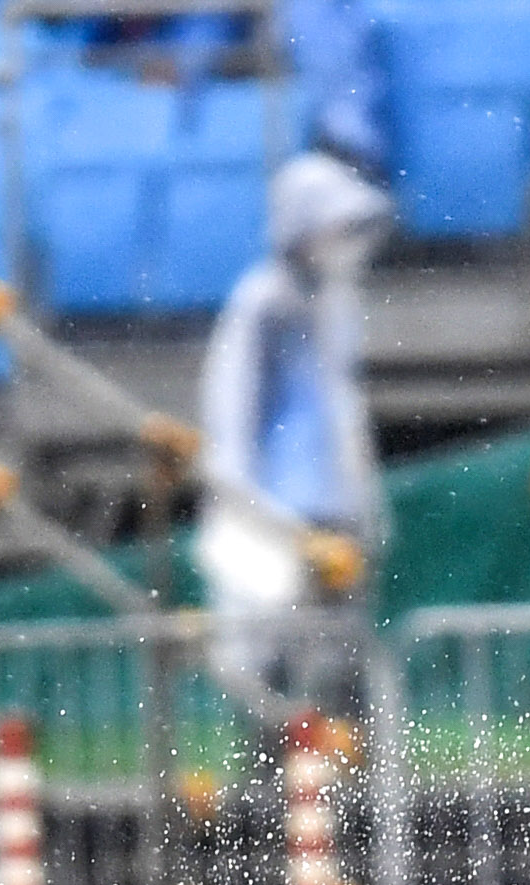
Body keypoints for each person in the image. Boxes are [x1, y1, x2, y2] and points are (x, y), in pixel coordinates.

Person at [194, 149, 391, 625]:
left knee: (341, 651)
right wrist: (244, 500)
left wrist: (365, 498)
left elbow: (344, 406)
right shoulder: (262, 302)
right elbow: (232, 405)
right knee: (272, 651)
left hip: (335, 505)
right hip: (275, 506)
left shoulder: (335, 302)